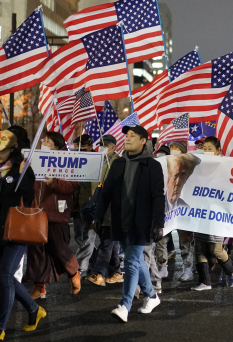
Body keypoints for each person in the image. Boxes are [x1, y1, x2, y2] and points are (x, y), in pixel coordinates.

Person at [94, 125, 164, 323]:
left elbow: (158, 196)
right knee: (137, 260)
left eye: (133, 136)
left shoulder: (152, 165)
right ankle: (152, 296)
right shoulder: (118, 163)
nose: (127, 138)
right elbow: (106, 191)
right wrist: (98, 216)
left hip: (141, 222)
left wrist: (158, 222)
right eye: (127, 135)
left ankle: (125, 305)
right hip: (119, 219)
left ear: (143, 141)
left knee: (132, 260)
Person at [0, 130, 45, 341]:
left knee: (7, 276)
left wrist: (20, 176)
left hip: (17, 230)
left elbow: (28, 199)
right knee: (3, 276)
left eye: (1, 150)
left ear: (12, 149)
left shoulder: (24, 168)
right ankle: (34, 309)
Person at [25, 131, 82, 299]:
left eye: (48, 141)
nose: (44, 143)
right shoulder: (36, 158)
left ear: (56, 146)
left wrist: (53, 182)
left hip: (57, 213)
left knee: (59, 248)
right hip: (37, 212)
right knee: (36, 251)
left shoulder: (67, 160)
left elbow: (72, 185)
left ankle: (74, 273)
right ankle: (39, 286)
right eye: (44, 140)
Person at [191, 137, 233, 290]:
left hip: (217, 213)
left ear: (218, 151)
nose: (206, 151)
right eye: (204, 148)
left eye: (210, 148)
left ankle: (231, 269)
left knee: (216, 249)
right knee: (199, 247)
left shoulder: (226, 166)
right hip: (200, 211)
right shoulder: (198, 166)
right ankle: (205, 282)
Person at [87, 134, 123, 287]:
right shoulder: (98, 162)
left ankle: (99, 272)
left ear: (114, 147)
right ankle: (116, 272)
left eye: (106, 145)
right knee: (109, 240)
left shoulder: (118, 163)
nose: (102, 148)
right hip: (99, 206)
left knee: (107, 241)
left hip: (112, 207)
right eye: (101, 145)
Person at [164, 142, 197, 282]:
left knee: (185, 240)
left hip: (183, 208)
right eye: (171, 149)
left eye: (176, 149)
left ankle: (188, 268)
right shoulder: (165, 166)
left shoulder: (189, 168)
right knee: (161, 239)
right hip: (167, 207)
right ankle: (161, 266)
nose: (173, 152)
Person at [71, 134, 96, 276]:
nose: (79, 149)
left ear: (90, 146)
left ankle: (82, 266)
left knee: (88, 236)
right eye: (77, 147)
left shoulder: (96, 161)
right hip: (76, 204)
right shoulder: (74, 159)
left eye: (83, 147)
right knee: (79, 236)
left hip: (89, 204)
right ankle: (97, 259)